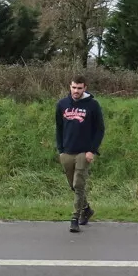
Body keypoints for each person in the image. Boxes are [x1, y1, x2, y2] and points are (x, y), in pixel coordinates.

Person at [56, 75, 105, 233]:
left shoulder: (92, 105)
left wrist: (92, 150)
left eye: (79, 88)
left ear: (85, 88)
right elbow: (59, 128)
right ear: (70, 87)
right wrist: (61, 150)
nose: (76, 91)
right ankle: (87, 209)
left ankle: (74, 219)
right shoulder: (62, 104)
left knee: (78, 185)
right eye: (73, 87)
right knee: (73, 186)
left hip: (84, 152)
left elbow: (99, 130)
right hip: (67, 152)